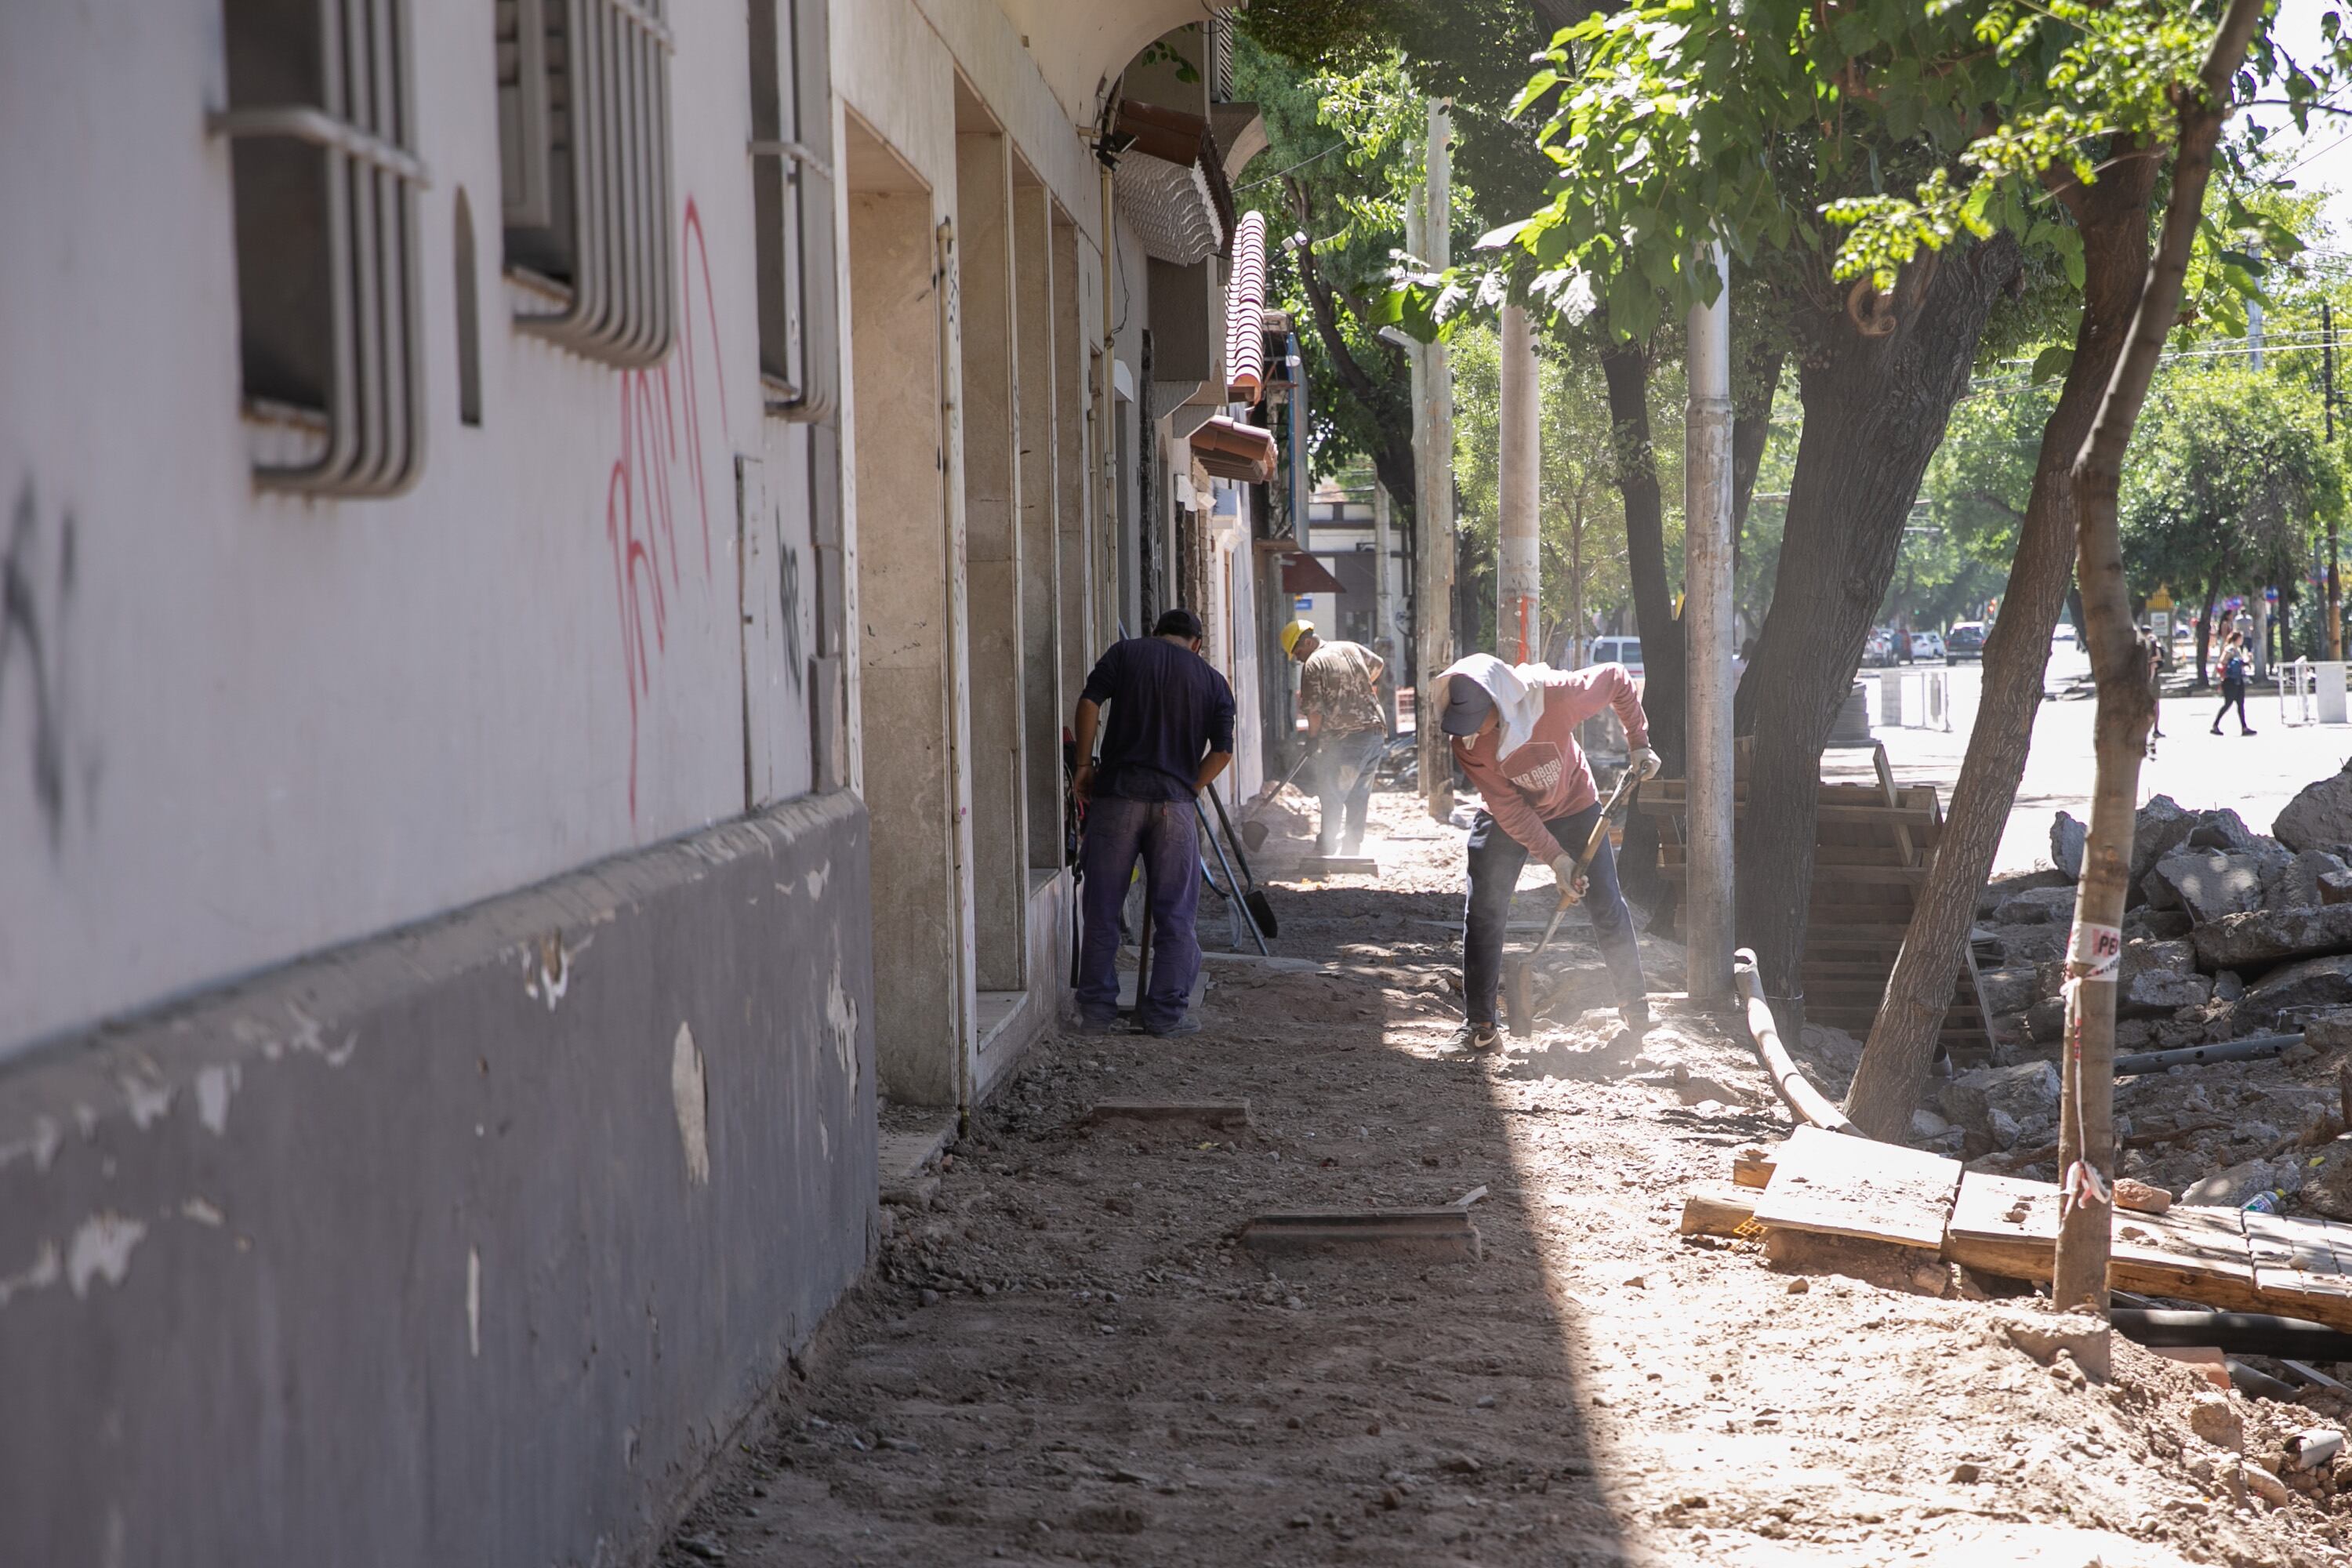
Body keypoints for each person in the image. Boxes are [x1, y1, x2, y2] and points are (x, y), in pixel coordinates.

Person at [1437, 652, 1661, 1053]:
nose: (1471, 733)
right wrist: (1557, 859)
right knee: (1484, 909)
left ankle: (1636, 1009)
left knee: (1606, 901)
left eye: (1477, 721)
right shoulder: (1467, 744)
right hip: (1505, 816)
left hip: (1573, 804)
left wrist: (1639, 744)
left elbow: (1615, 678)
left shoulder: (1554, 697)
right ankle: (1480, 1026)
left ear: (1500, 703)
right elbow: (1509, 809)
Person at [1070, 608, 1236, 1037]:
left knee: (1103, 908)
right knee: (1176, 916)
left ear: (1157, 633)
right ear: (1197, 643)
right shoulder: (1214, 681)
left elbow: (1089, 701)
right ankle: (1165, 1015)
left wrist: (1083, 765)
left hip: (1118, 798)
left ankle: (1096, 1014)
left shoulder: (1127, 653)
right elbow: (1222, 752)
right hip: (1174, 809)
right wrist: (1190, 787)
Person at [1282, 618, 1388, 858]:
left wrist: (1312, 739)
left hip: (1346, 737)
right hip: (1374, 734)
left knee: (1332, 792)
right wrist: (1353, 687)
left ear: (1308, 642)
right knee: (1359, 793)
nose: (1298, 658)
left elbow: (1314, 711)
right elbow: (1378, 665)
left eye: (1298, 652)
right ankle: (1352, 849)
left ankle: (1326, 848)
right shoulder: (1350, 647)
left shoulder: (1314, 663)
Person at [2212, 630, 2256, 736]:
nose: (2242, 640)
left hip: (2238, 680)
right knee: (2228, 704)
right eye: (2241, 638)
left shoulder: (2237, 649)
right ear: (2237, 639)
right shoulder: (2230, 649)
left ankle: (2244, 728)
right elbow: (2222, 662)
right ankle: (2215, 725)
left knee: (2241, 704)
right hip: (2230, 680)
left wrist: (2245, 661)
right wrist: (2234, 661)